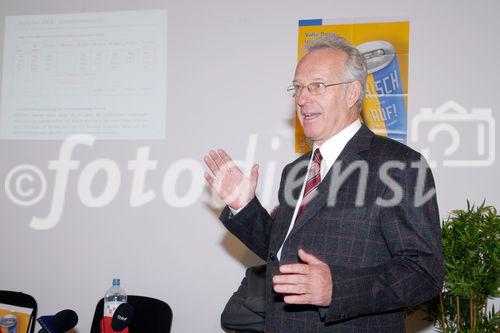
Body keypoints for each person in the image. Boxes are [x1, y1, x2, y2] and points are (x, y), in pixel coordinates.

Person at [204, 34, 443, 332]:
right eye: (298, 88)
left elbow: (424, 273)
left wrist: (337, 289)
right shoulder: (296, 170)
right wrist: (245, 208)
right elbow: (283, 255)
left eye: (317, 86)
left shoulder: (398, 165)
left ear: (352, 92)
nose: (302, 99)